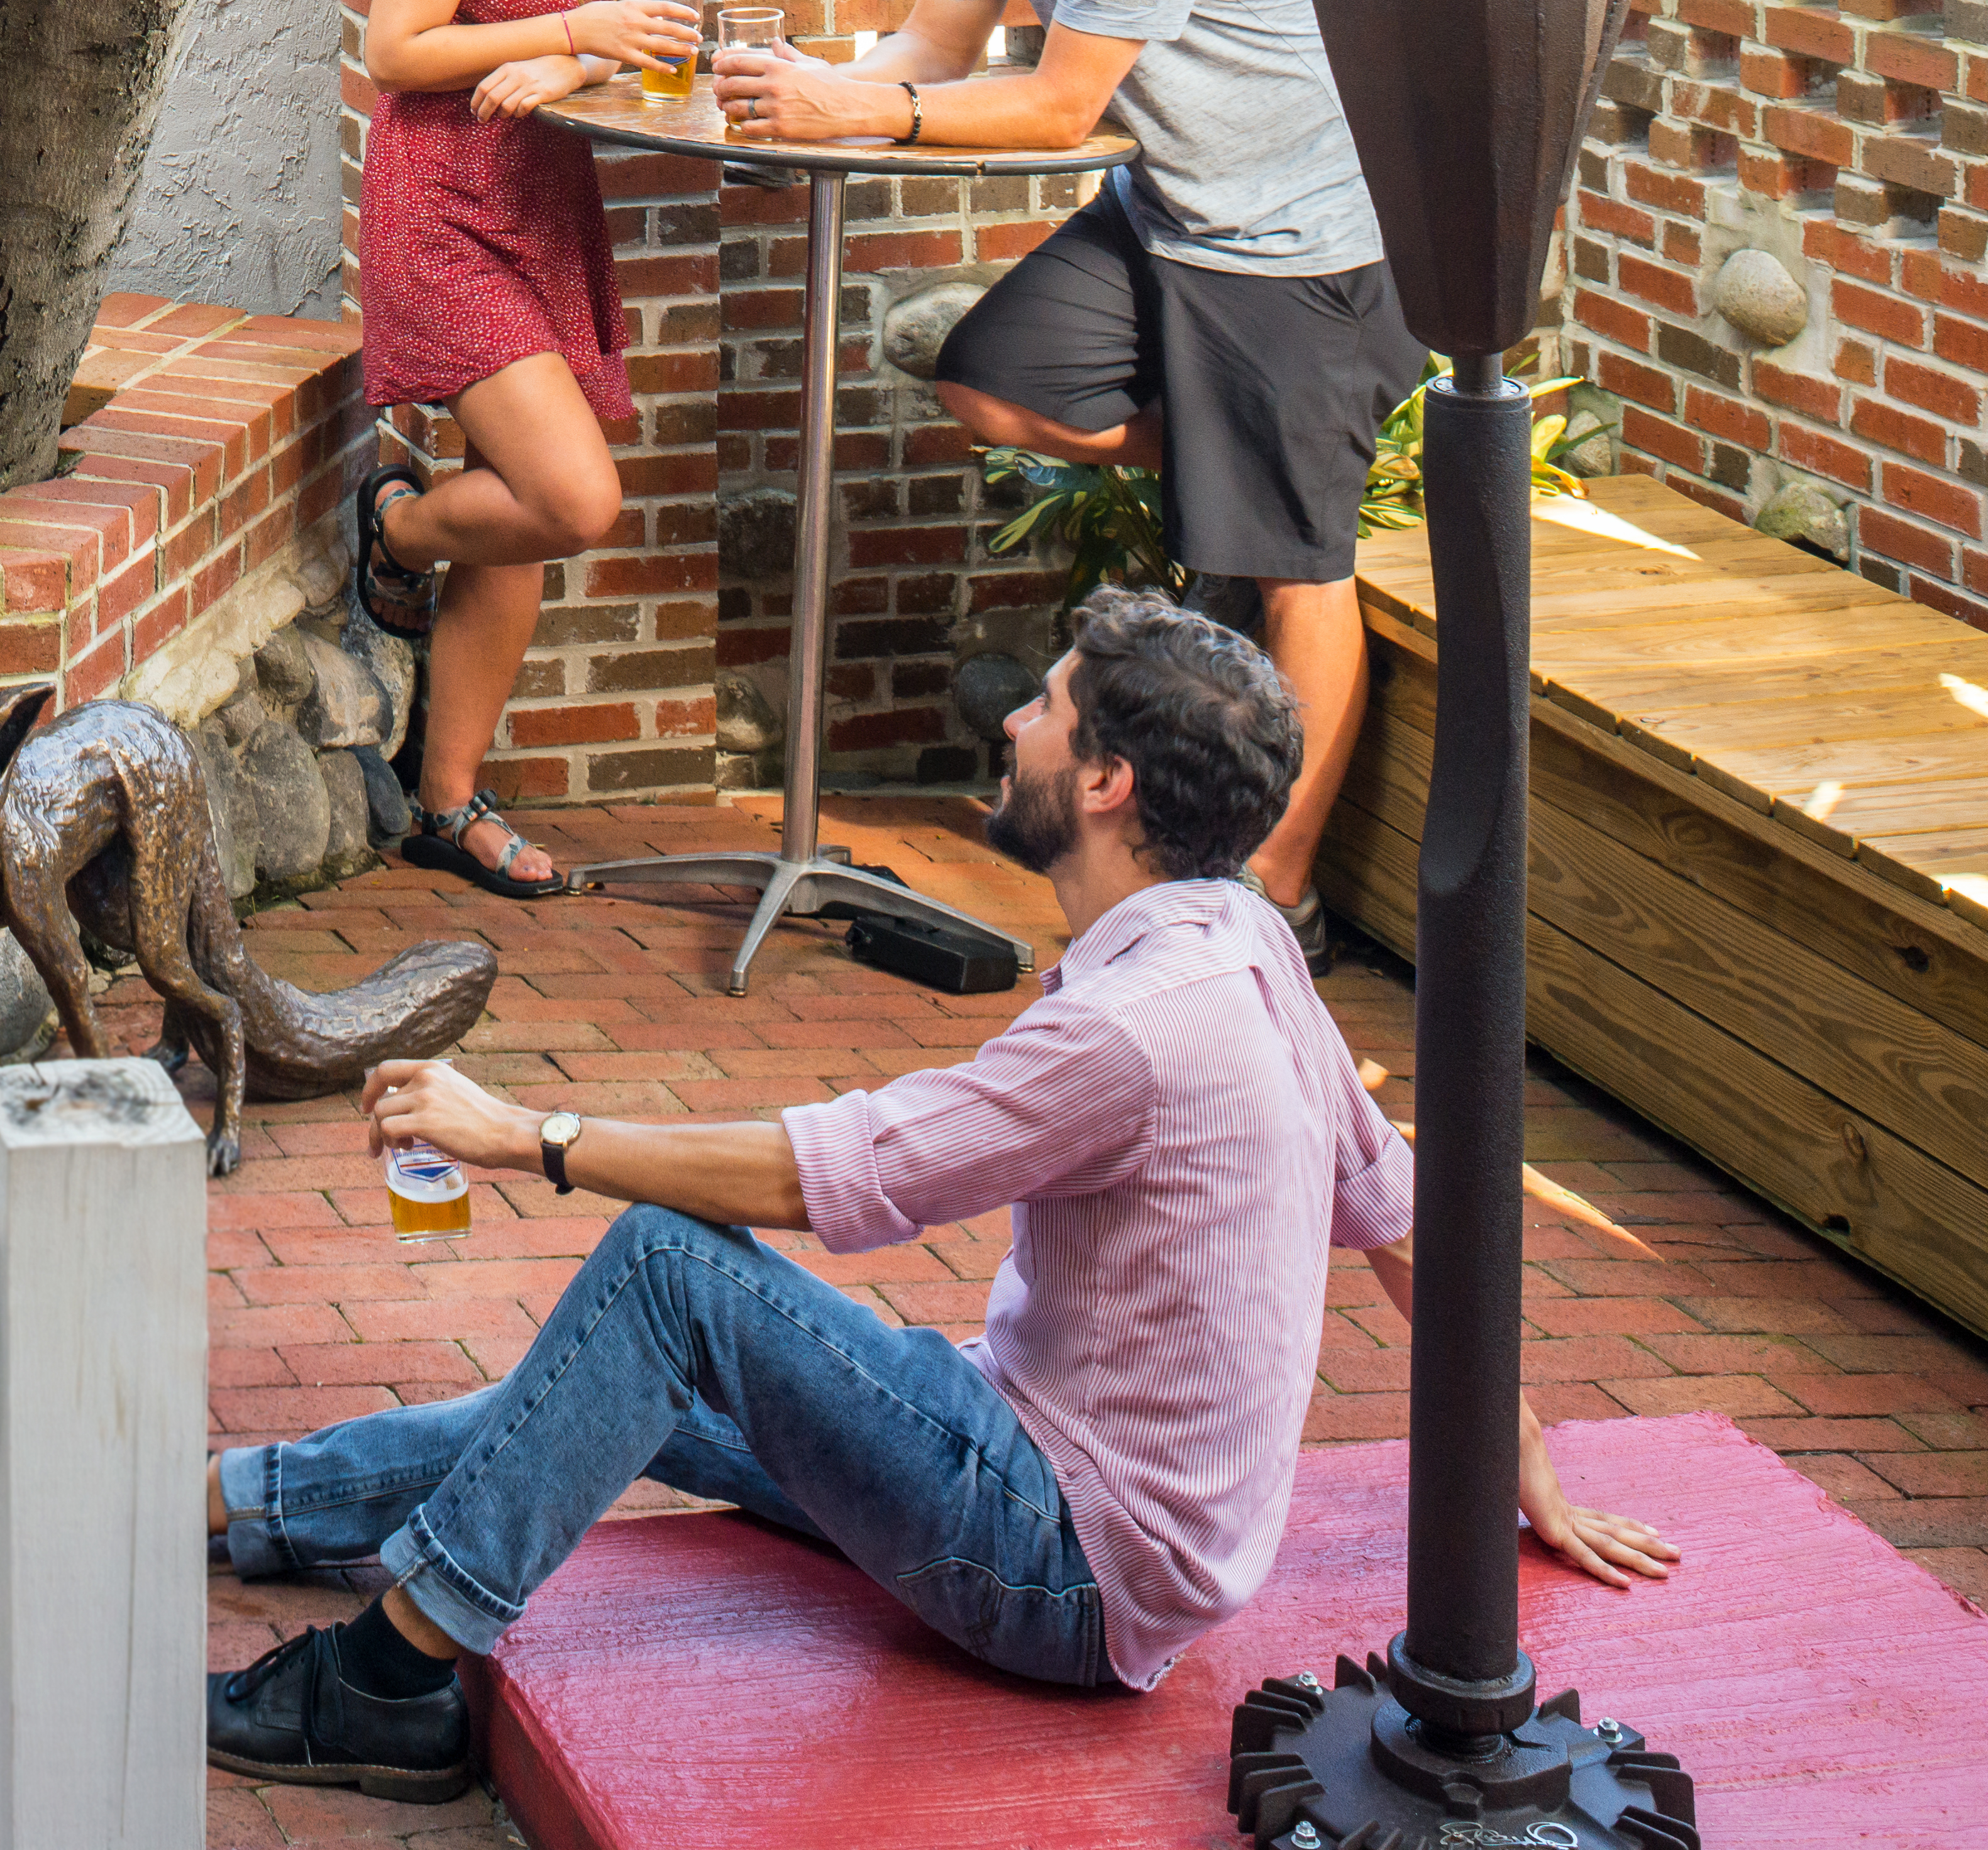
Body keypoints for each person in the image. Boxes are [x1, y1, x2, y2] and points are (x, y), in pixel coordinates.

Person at [204, 589, 1675, 1805]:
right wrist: (1517, 1449)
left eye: (1042, 705)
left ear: (1107, 782)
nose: (1011, 720)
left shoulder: (1137, 1026)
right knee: (624, 1382)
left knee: (668, 1268)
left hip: (1060, 1566)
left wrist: (528, 1130)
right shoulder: (1245, 939)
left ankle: (390, 1675)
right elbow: (1404, 1213)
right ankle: (254, 1496)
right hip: (1041, 1469)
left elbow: (828, 1171)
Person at [710, 0, 1422, 969]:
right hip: (1164, 216)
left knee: (1294, 574)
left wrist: (861, 110)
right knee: (991, 374)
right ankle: (1246, 468)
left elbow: (1056, 101)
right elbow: (933, 41)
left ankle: (1279, 891)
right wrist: (808, 94)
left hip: (1293, 247)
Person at [348, 0, 700, 900]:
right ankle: (395, 525)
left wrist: (571, 56)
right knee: (573, 496)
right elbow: (396, 48)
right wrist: (567, 27)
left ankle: (447, 803)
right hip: (447, 206)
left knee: (528, 521)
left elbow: (641, 38)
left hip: (542, 202)